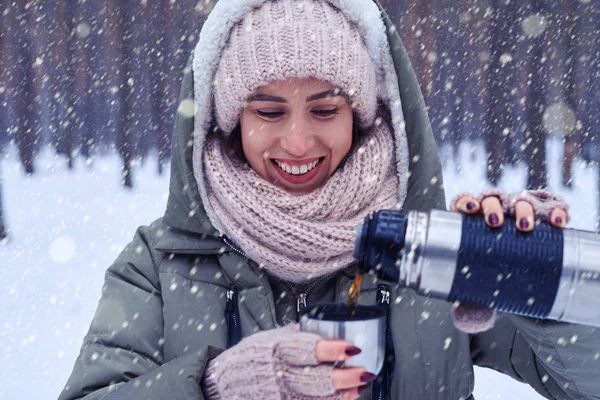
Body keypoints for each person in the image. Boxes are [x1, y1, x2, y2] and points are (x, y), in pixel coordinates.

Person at [58, 0, 599, 399]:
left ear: (361, 116)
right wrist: (210, 387)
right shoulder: (161, 263)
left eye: (324, 110)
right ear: (228, 123)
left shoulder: (433, 253)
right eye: (268, 112)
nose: (297, 141)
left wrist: (547, 285)